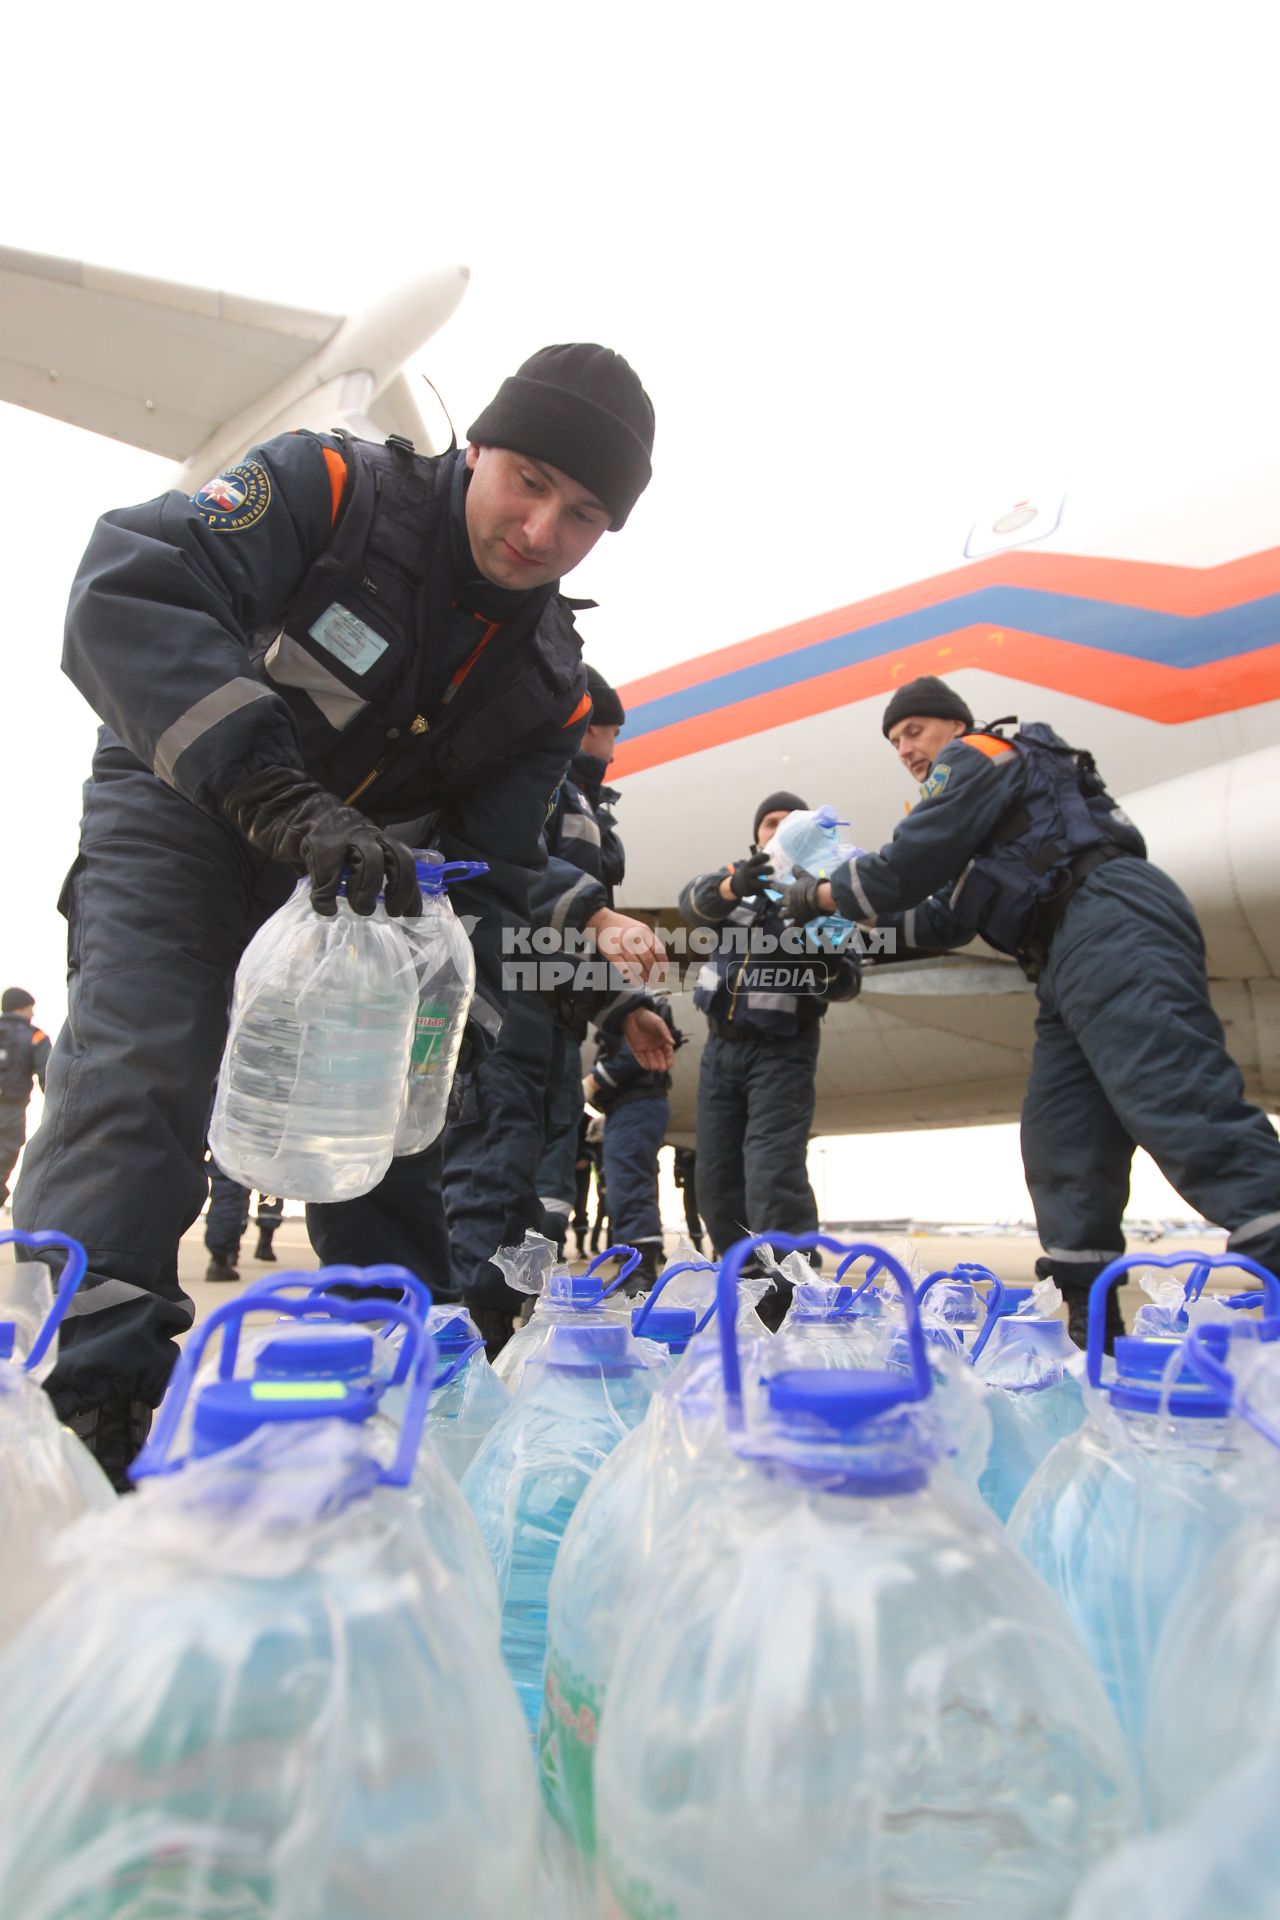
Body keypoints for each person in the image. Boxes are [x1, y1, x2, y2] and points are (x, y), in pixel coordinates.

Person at [14, 343, 657, 1487]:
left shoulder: (546, 682)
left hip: (354, 880)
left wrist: (536, 1002)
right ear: (477, 451)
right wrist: (276, 794)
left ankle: (389, 1383)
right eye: (527, 482)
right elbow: (128, 591)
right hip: (191, 807)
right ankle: (82, 1401)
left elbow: (491, 874)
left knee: (385, 1117)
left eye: (583, 514)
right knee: (144, 1060)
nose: (539, 530)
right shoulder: (329, 490)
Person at [785, 673, 1280, 1348]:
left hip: (1107, 917)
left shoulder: (981, 756)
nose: (904, 748)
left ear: (955, 726)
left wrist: (821, 894)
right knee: (1062, 1140)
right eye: (895, 740)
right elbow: (942, 920)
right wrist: (856, 929)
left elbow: (901, 869)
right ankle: (1086, 1328)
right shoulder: (984, 828)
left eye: (914, 730)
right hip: (1061, 955)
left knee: (1176, 1101)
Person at [442, 663, 671, 1354]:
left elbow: (564, 941)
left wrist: (624, 1005)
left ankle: (507, 1331)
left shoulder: (583, 803)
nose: (607, 742)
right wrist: (595, 912)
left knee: (535, 1188)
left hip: (554, 1019)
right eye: (604, 727)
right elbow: (498, 861)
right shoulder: (527, 776)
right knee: (489, 1167)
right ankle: (468, 1344)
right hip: (503, 1004)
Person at [679, 795, 861, 1313]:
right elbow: (692, 904)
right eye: (770, 823)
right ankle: (743, 1281)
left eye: (789, 824)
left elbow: (846, 981)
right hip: (722, 1050)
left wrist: (817, 944)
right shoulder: (731, 883)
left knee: (771, 1174)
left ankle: (791, 1294)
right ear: (757, 835)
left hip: (783, 1052)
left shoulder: (825, 898)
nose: (778, 831)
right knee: (715, 1179)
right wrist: (733, 885)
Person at [584, 1000, 680, 1288]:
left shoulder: (640, 1006)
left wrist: (594, 1081)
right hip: (627, 1105)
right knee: (623, 1186)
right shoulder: (633, 1004)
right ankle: (632, 1267)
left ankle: (641, 1271)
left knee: (629, 1183)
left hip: (636, 1103)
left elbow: (635, 1053)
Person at [0, 989, 50, 1210]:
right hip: (11, 1112)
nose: (33, 1012)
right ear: (20, 1007)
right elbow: (49, 1077)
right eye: (30, 1007)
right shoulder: (34, 1036)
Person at [204, 1155, 284, 1280]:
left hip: (227, 1140)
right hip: (268, 1139)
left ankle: (224, 1256)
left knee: (228, 1186)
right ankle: (265, 1242)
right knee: (271, 1178)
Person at [671, 1145, 705, 1252]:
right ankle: (698, 1244)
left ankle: (703, 1245)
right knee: (691, 1209)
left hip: (702, 1160)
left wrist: (677, 1171)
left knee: (695, 1208)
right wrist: (677, 1170)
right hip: (690, 1162)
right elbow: (679, 1144)